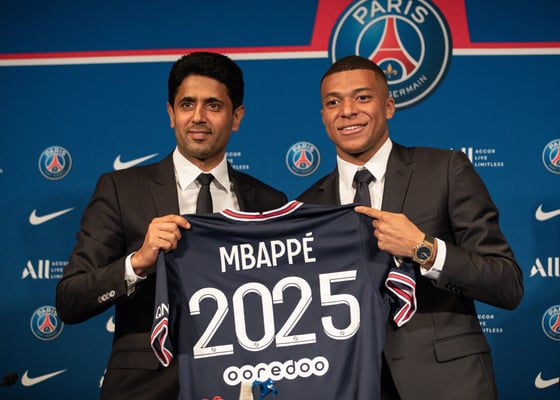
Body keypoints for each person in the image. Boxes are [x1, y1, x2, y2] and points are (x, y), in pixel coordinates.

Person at [56, 52, 287, 399]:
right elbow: (70, 301)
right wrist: (137, 263)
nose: (198, 117)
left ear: (236, 117)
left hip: (241, 383)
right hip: (147, 387)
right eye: (186, 104)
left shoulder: (269, 201)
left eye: (213, 105)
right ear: (171, 114)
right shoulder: (121, 190)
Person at [297, 55, 523, 400]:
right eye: (333, 102)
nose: (347, 111)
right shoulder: (306, 207)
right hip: (351, 385)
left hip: (447, 384)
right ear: (324, 116)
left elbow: (506, 284)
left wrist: (424, 248)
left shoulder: (445, 170)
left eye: (362, 97)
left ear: (388, 106)